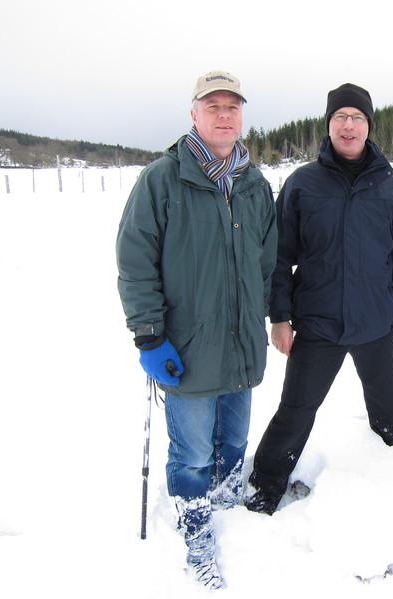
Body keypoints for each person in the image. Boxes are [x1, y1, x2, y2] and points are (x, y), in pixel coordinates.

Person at [116, 71, 277, 589]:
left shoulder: (255, 184)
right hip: (185, 345)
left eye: (233, 106)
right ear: (194, 113)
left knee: (233, 438)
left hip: (242, 340)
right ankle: (193, 515)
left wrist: (267, 316)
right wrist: (148, 335)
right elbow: (135, 261)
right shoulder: (162, 179)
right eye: (213, 106)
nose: (224, 115)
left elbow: (267, 262)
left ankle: (226, 494)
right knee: (190, 449)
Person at [245, 83, 393, 516]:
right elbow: (279, 257)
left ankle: (391, 448)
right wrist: (280, 316)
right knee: (296, 408)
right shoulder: (303, 183)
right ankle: (267, 482)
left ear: (368, 126)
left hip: (374, 321)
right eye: (341, 117)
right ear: (328, 125)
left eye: (358, 118)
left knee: (387, 397)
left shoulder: (389, 186)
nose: (349, 125)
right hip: (318, 322)